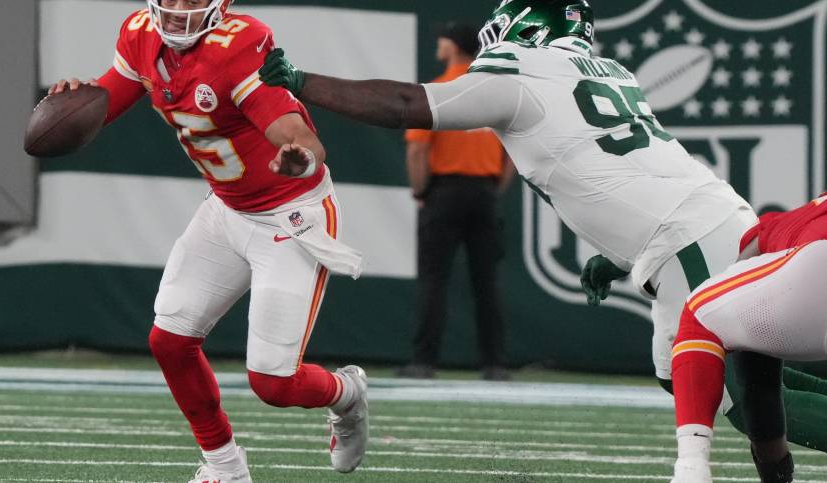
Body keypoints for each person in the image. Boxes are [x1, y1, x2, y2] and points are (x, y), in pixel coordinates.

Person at [256, 0, 827, 475]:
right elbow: (624, 169)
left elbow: (411, 103)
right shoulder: (609, 72)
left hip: (687, 236)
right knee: (733, 365)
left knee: (719, 384)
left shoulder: (519, 74)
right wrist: (620, 253)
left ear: (524, 28)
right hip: (701, 221)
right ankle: (777, 464)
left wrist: (306, 83)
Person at [48, 0, 368, 481]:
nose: (178, 9)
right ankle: (224, 467)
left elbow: (299, 135)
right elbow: (108, 98)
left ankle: (347, 394)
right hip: (227, 208)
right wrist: (75, 102)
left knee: (274, 383)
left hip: (289, 216)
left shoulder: (239, 43)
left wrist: (299, 156)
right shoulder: (139, 33)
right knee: (170, 341)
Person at [671, 193, 827, 482]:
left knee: (699, 315)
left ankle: (691, 469)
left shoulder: (775, 229)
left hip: (818, 265)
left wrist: (775, 472)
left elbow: (759, 386)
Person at [400, 22, 515, 381]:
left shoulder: (436, 91)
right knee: (487, 281)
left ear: (451, 46)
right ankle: (494, 363)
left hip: (443, 193)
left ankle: (424, 361)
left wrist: (420, 192)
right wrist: (495, 187)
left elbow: (418, 149)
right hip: (484, 192)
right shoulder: (494, 92)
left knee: (434, 279)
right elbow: (513, 151)